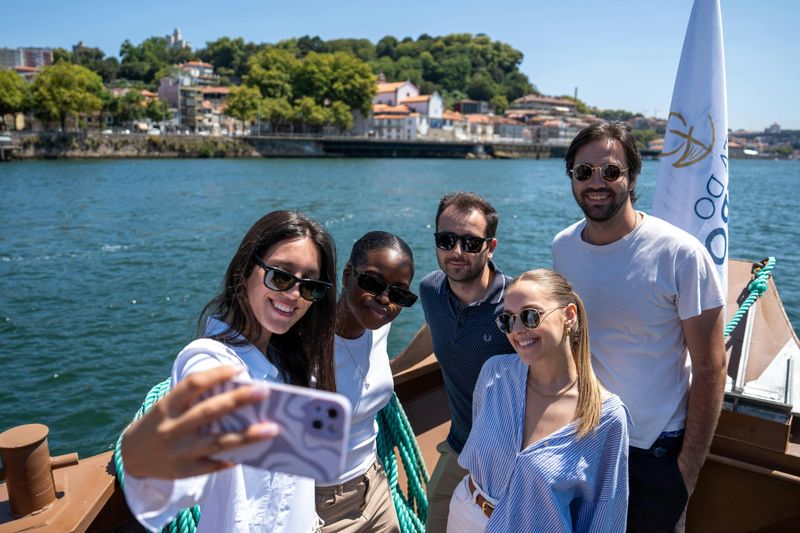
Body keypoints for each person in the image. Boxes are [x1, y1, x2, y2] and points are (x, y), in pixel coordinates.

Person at [552, 121, 727, 532]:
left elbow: (710, 367)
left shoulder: (680, 254)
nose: (597, 182)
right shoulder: (563, 247)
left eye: (610, 171)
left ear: (631, 177)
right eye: (584, 172)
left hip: (655, 453)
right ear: (572, 178)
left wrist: (687, 470)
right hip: (583, 441)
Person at [121, 210, 338, 532]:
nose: (294, 295)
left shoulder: (289, 360)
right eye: (281, 276)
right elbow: (181, 469)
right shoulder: (209, 360)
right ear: (246, 268)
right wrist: (147, 457)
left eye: (310, 287)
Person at [448, 269, 629, 532]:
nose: (518, 331)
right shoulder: (494, 374)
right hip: (466, 514)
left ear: (569, 316)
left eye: (530, 316)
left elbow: (604, 516)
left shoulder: (605, 416)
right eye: (507, 321)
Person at [390, 192, 514, 532]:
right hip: (461, 441)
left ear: (491, 247)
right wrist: (393, 368)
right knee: (437, 515)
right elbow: (434, 329)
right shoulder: (431, 289)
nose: (456, 252)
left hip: (511, 456)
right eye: (446, 240)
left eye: (471, 243)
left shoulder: (514, 308)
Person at [316, 231, 418, 533]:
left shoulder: (378, 327)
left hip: (373, 485)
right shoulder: (308, 347)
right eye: (372, 283)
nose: (385, 300)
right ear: (347, 275)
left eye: (399, 294)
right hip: (319, 503)